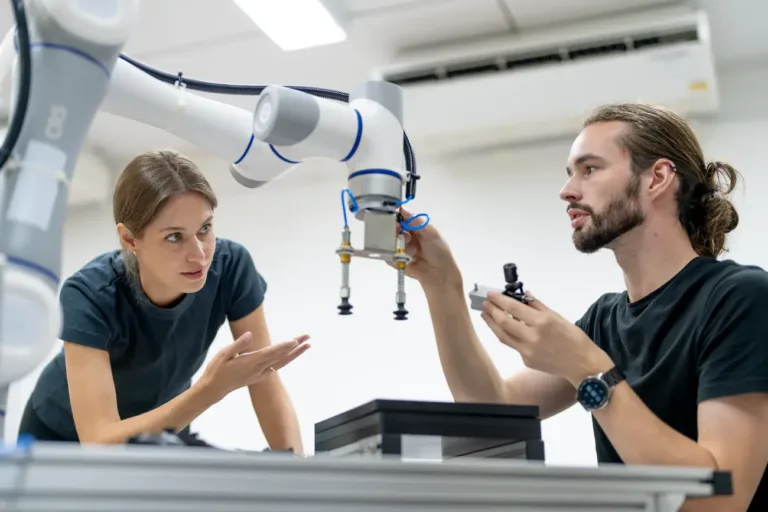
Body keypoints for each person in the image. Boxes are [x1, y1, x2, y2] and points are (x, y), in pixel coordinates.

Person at [398, 103, 768, 511]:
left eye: (589, 169)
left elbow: (721, 502)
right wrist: (442, 285)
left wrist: (589, 370)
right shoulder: (604, 320)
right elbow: (494, 413)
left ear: (657, 178)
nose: (568, 190)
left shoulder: (740, 298)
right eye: (570, 173)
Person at [17, 149, 310, 451]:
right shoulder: (89, 294)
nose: (199, 254)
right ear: (130, 240)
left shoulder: (232, 267)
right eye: (174, 237)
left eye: (205, 229)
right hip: (62, 438)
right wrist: (213, 388)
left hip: (161, 431)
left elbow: (263, 375)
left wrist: (296, 470)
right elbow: (99, 440)